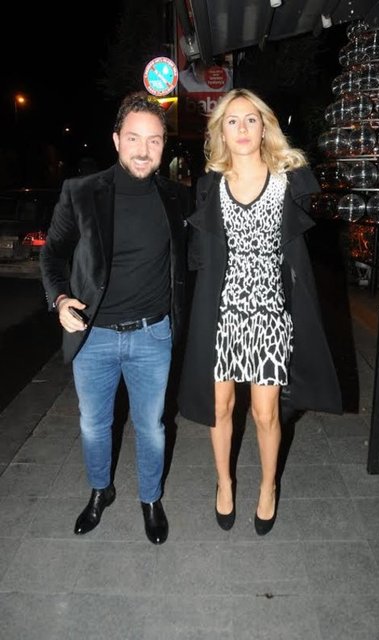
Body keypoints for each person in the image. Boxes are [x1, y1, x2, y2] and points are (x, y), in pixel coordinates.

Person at [178, 88, 342, 535]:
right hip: (221, 312)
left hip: (270, 310)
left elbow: (303, 255)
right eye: (232, 121)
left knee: (266, 412)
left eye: (251, 119)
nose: (242, 128)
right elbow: (198, 257)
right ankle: (224, 483)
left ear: (265, 126)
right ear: (221, 132)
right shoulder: (209, 187)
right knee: (220, 406)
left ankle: (268, 486)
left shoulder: (290, 182)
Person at [40, 92, 190, 544]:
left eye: (154, 140)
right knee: (93, 425)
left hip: (152, 335)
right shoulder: (81, 192)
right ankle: (100, 490)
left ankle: (150, 498)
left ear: (164, 145)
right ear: (116, 140)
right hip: (94, 336)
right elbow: (52, 255)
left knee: (151, 427)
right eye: (134, 138)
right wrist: (60, 300)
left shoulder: (176, 198)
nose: (144, 150)